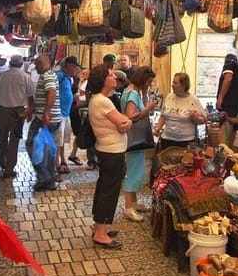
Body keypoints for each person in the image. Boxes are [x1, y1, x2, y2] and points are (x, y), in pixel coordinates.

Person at [87, 64, 132, 249]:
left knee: (104, 188)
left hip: (107, 149)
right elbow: (124, 122)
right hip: (112, 151)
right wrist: (127, 121)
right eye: (111, 75)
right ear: (103, 80)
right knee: (109, 190)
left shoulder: (99, 99)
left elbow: (121, 123)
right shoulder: (103, 101)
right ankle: (100, 233)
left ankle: (100, 226)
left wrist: (124, 123)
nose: (115, 77)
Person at [151, 72, 206, 181]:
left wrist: (195, 117)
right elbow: (163, 115)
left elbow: (204, 119)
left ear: (184, 85)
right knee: (165, 169)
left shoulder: (193, 100)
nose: (172, 85)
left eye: (175, 83)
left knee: (183, 171)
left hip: (186, 142)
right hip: (167, 139)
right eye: (173, 82)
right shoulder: (169, 97)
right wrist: (157, 128)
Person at [120, 66, 158, 222]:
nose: (149, 84)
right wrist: (147, 109)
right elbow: (130, 116)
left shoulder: (131, 91)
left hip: (134, 137)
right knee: (134, 171)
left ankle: (134, 203)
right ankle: (128, 207)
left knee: (136, 169)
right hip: (135, 138)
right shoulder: (133, 93)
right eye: (148, 81)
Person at [0, 54, 33, 179]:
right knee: (14, 139)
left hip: (4, 111)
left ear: (10, 63)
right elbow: (30, 97)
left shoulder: (2, 76)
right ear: (21, 64)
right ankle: (9, 168)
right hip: (19, 112)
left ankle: (2, 161)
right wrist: (29, 113)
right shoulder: (25, 77)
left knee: (3, 136)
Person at [27, 53, 61, 191]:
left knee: (31, 144)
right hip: (45, 117)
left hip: (45, 118)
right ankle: (49, 180)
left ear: (41, 64)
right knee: (48, 150)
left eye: (36, 65)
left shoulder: (47, 75)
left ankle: (45, 176)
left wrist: (46, 113)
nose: (35, 67)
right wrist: (29, 112)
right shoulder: (48, 75)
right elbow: (41, 98)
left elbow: (51, 93)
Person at [55, 56, 81, 174]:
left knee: (62, 140)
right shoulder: (59, 75)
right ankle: (56, 166)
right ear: (69, 66)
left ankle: (63, 161)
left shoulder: (68, 78)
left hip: (66, 113)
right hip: (58, 113)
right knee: (57, 141)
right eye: (74, 66)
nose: (75, 69)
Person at [216, 53, 238, 148]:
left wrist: (220, 97)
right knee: (234, 143)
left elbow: (228, 78)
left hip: (229, 107)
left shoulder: (230, 64)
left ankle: (223, 160)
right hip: (237, 107)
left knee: (223, 140)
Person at [68, 67, 89, 166]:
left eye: (85, 73)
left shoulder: (86, 83)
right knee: (79, 132)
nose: (82, 75)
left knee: (80, 132)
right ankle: (73, 154)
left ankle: (73, 154)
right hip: (76, 108)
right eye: (82, 73)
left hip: (81, 107)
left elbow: (83, 93)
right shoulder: (77, 82)